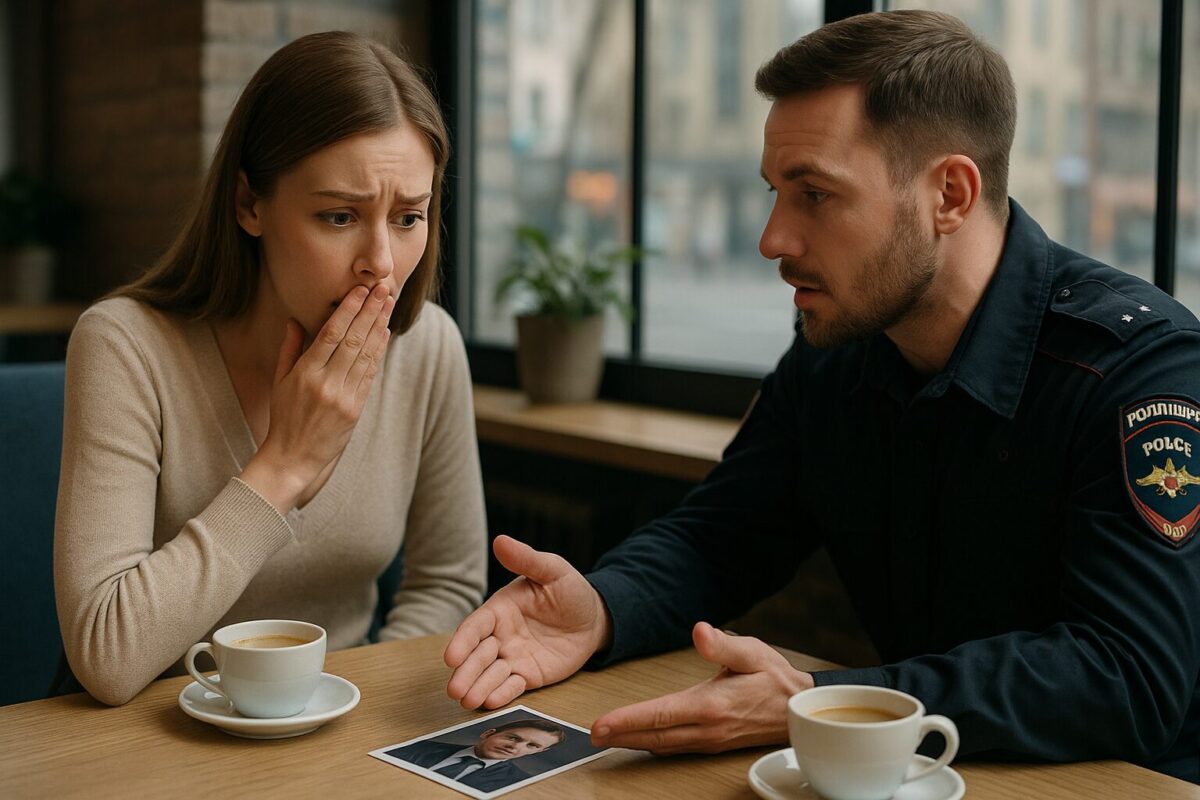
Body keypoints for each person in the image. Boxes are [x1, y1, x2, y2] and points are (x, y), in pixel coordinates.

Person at [443, 10, 1200, 782]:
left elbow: (1130, 675)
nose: (772, 239)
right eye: (776, 192)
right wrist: (603, 608)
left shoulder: (1136, 369)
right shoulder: (840, 352)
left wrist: (821, 703)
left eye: (815, 195)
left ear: (950, 194)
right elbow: (726, 530)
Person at [54, 31, 487, 706]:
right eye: (339, 216)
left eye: (409, 218)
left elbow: (447, 589)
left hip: (338, 726)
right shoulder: (124, 346)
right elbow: (104, 655)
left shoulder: (430, 349)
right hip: (151, 739)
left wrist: (342, 712)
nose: (381, 261)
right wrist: (282, 467)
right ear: (249, 204)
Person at [388, 719, 565, 792]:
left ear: (539, 752)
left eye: (532, 745)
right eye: (512, 737)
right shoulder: (420, 747)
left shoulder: (516, 784)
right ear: (488, 733)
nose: (514, 747)